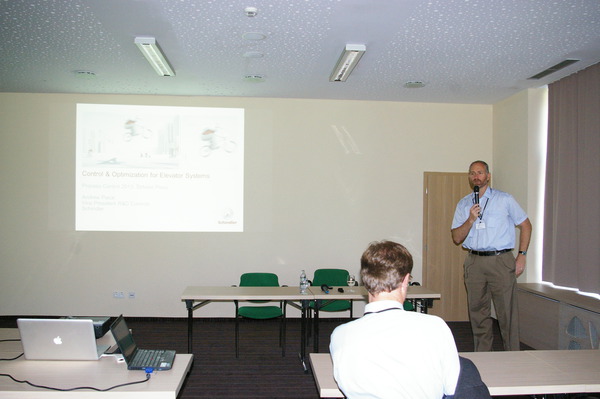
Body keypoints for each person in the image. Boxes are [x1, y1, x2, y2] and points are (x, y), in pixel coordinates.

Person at [330, 240, 489, 399]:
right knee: (466, 367)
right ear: (406, 280)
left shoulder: (341, 335)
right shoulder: (435, 327)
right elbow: (452, 388)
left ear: (365, 281)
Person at [451, 160, 532, 352]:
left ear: (488, 176)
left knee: (506, 313)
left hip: (501, 260)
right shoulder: (464, 204)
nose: (476, 176)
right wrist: (470, 219)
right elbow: (456, 237)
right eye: (472, 173)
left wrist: (522, 255)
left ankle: (512, 355)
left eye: (480, 172)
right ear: (469, 178)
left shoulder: (505, 199)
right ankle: (483, 356)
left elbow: (526, 225)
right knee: (478, 312)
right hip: (474, 261)